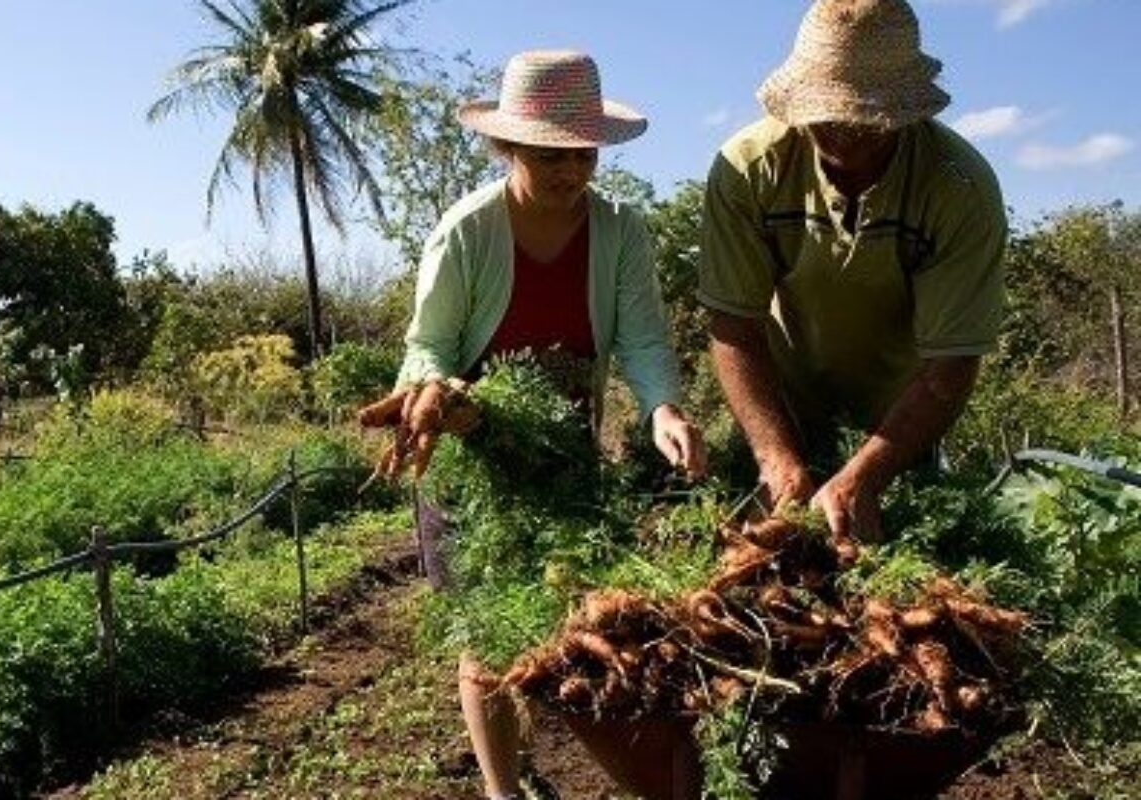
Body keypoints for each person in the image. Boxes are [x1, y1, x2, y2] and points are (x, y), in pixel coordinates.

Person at [372, 49, 705, 800]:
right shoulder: (468, 230)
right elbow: (428, 343)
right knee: (486, 629)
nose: (571, 170)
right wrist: (438, 392)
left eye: (584, 153)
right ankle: (502, 789)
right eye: (552, 154)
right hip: (468, 455)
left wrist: (663, 407)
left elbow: (643, 339)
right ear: (507, 145)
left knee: (558, 619)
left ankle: (537, 759)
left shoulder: (620, 232)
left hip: (564, 453)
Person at [698, 0, 1006, 546]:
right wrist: (774, 456)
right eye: (826, 114)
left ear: (904, 111)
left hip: (897, 421)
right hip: (779, 400)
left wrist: (868, 474)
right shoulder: (748, 168)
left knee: (898, 554)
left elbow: (951, 363)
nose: (841, 132)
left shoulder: (958, 188)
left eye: (864, 120)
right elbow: (734, 325)